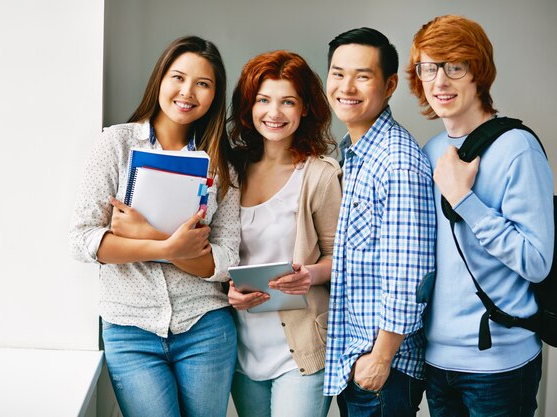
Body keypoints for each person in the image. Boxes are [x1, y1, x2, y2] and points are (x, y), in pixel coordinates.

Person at [68, 36, 240, 417]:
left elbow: (226, 261)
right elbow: (82, 240)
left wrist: (148, 235)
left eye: (203, 83)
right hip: (130, 329)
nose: (187, 92)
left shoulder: (221, 165)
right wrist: (171, 248)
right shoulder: (116, 144)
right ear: (160, 80)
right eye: (178, 77)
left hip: (205, 327)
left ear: (215, 94)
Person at [407, 15, 553, 417]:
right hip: (437, 361)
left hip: (500, 365)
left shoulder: (517, 148)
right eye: (428, 68)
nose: (440, 81)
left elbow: (537, 262)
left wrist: (463, 198)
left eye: (455, 66)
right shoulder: (430, 150)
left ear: (479, 72)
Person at [323, 28, 437, 417]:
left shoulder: (396, 161)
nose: (346, 86)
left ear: (389, 86)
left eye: (362, 76)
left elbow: (411, 273)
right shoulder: (356, 153)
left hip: (383, 370)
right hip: (358, 359)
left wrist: (381, 358)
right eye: (337, 73)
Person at [226, 50, 341, 417]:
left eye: (287, 101)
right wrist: (227, 291)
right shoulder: (231, 171)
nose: (274, 113)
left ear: (305, 108)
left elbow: (340, 258)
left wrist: (310, 275)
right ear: (250, 104)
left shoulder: (320, 175)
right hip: (242, 348)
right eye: (263, 100)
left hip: (301, 347)